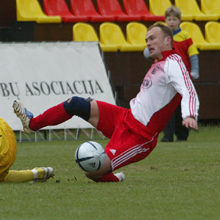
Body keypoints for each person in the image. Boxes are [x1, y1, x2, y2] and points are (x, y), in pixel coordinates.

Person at [13, 24, 199, 183]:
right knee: (75, 103)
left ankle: (114, 177)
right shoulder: (159, 62)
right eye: (146, 40)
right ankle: (32, 124)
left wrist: (189, 114)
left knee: (91, 170)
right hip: (124, 117)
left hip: (140, 136)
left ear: (168, 40)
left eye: (152, 38)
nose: (148, 43)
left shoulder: (174, 63)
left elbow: (188, 89)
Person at [144, 6, 199, 142]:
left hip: (181, 77)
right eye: (169, 19)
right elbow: (149, 53)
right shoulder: (161, 38)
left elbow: (193, 55)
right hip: (164, 77)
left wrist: (195, 70)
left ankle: (182, 135)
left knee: (181, 106)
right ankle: (167, 136)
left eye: (174, 19)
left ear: (179, 21)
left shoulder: (185, 36)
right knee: (166, 107)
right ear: (165, 20)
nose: (172, 22)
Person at [0, 117, 54, 183]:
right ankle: (39, 173)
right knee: (1, 177)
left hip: (4, 152)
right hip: (5, 129)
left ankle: (37, 173)